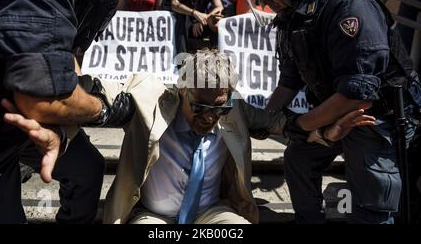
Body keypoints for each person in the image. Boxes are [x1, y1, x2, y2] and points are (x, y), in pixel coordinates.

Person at [0, 0, 194, 224]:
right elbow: (42, 97)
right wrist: (103, 109)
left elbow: (69, 56)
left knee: (86, 168)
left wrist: (62, 127)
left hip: (13, 118)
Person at [241, 0, 421, 224]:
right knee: (299, 158)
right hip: (337, 111)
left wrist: (298, 124)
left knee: (369, 193)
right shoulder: (294, 16)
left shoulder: (349, 6)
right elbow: (290, 80)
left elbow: (357, 93)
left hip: (377, 117)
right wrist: (268, 117)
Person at [100, 49, 375, 224]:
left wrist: (327, 132)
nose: (209, 117)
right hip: (152, 217)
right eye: (201, 107)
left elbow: (285, 125)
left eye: (219, 107)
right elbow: (100, 96)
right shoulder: (152, 101)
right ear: (181, 90)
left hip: (211, 215)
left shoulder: (236, 111)